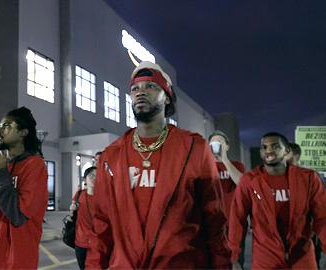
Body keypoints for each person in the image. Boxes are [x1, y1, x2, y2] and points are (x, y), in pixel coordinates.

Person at [86, 61, 223, 269]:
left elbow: (214, 220)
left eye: (150, 86)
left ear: (167, 97)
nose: (141, 92)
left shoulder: (194, 148)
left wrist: (222, 265)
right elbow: (101, 225)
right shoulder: (111, 156)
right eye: (135, 89)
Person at [228, 132, 326, 269]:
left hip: (301, 254)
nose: (268, 151)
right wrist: (234, 258)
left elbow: (322, 217)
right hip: (266, 257)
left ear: (287, 151)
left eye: (275, 147)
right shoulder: (250, 181)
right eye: (264, 147)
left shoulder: (308, 178)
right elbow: (237, 220)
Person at [0, 107, 48, 270]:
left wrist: (1, 173)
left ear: (23, 132)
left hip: (19, 260)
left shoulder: (35, 166)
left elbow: (18, 215)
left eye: (6, 126)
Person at [208, 130, 245, 269]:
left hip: (233, 223)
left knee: (234, 262)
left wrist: (224, 159)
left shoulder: (237, 165)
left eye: (219, 143)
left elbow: (242, 184)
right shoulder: (204, 165)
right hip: (212, 224)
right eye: (213, 143)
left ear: (227, 146)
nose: (216, 146)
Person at [75, 166, 97, 270]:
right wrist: (72, 210)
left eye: (98, 176)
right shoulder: (79, 195)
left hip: (98, 245)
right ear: (85, 179)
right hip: (81, 243)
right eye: (91, 175)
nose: (94, 178)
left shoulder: (105, 197)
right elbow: (73, 214)